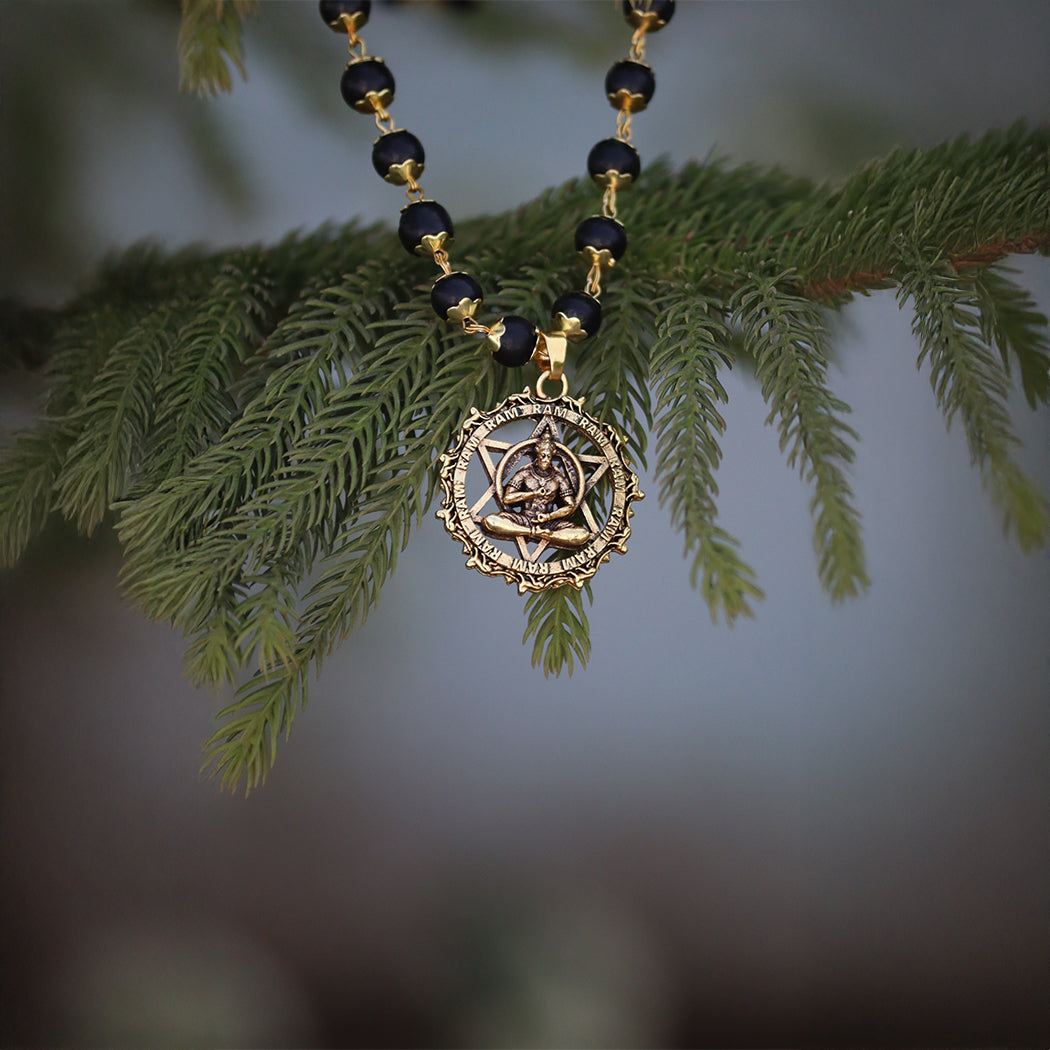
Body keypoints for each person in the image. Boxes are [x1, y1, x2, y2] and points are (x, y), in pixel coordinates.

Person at [482, 429, 591, 549]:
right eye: (543, 456)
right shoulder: (525, 474)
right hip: (523, 520)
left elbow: (570, 506)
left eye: (549, 457)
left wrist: (549, 516)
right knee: (491, 521)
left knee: (583, 534)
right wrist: (533, 494)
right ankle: (530, 532)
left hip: (549, 524)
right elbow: (507, 498)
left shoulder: (558, 479)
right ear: (537, 454)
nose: (546, 460)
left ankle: (548, 534)